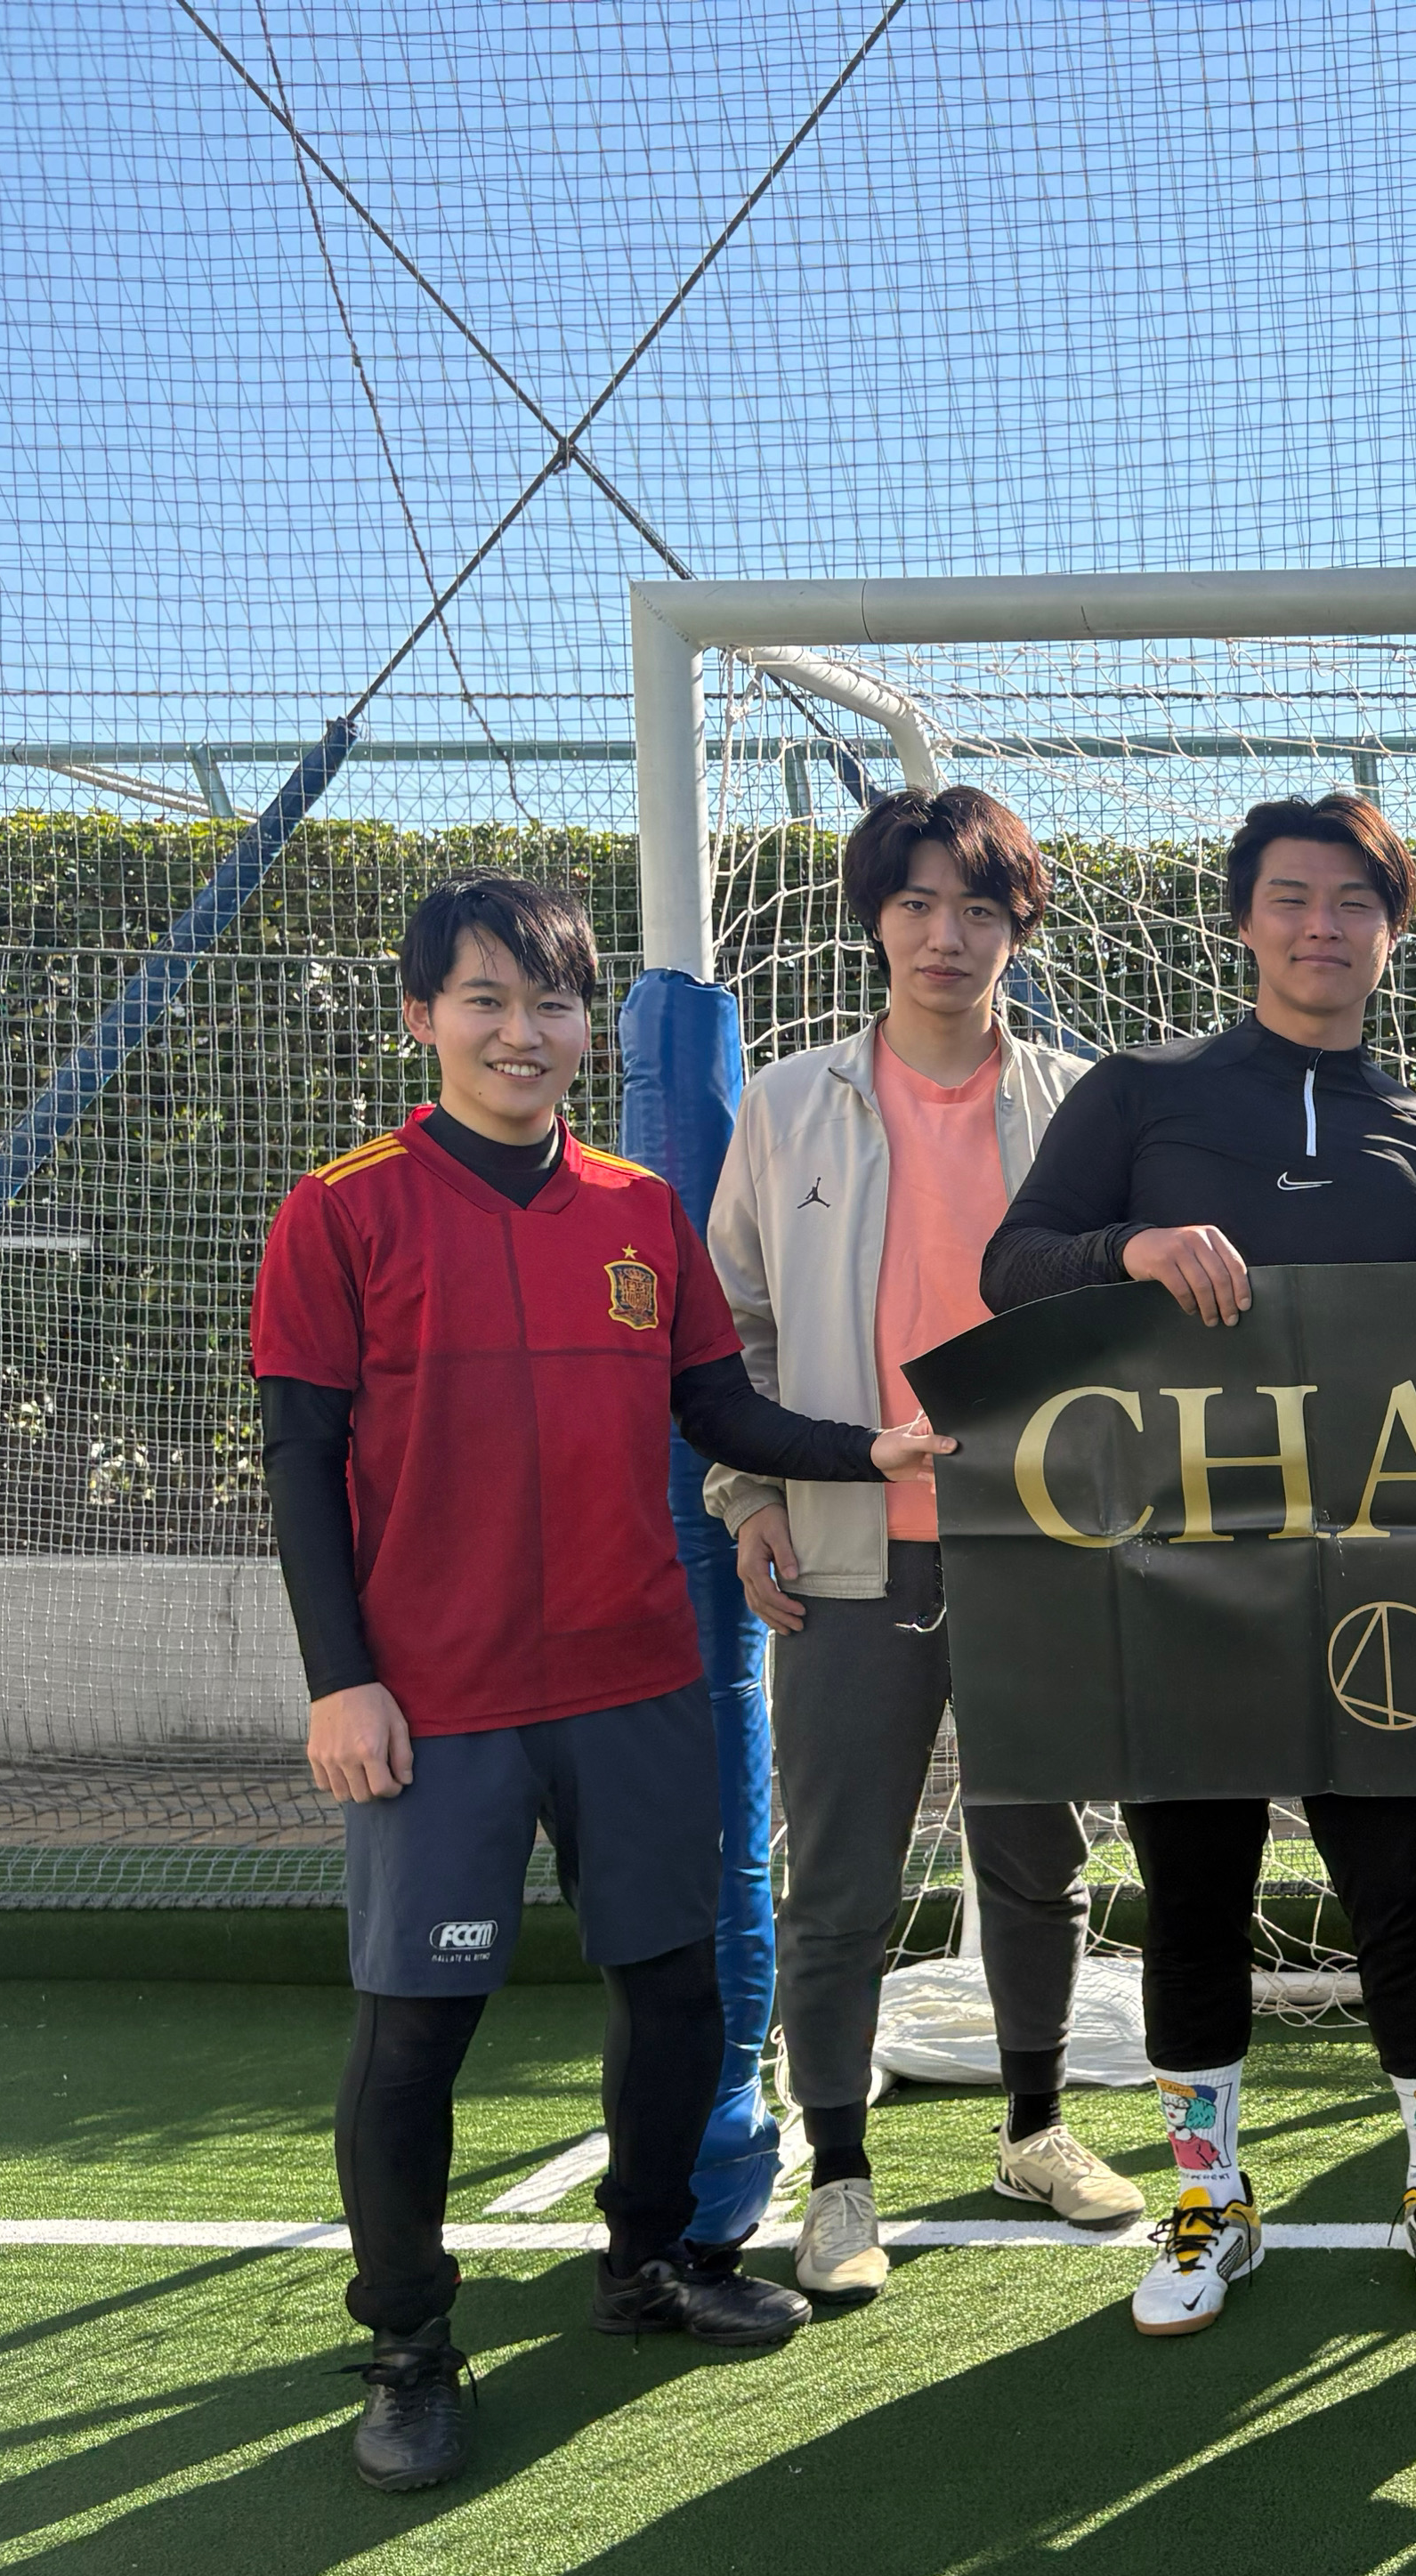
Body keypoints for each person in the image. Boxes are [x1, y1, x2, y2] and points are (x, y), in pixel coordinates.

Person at [255, 873, 952, 2494]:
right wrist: (341, 1682)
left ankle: (646, 2264)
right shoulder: (341, 1209)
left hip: (633, 1679)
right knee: (417, 2029)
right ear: (423, 1018)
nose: (523, 1033)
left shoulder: (642, 1210)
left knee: (674, 1990)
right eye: (486, 1001)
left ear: (589, 1027)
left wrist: (871, 1451)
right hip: (437, 1700)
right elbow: (296, 1464)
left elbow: (720, 1409)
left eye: (553, 1002)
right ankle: (408, 2340)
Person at [981, 790, 1416, 2338]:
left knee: (1399, 1896)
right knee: (1193, 1898)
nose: (1321, 925)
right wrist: (1128, 1253)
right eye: (1291, 897)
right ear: (1242, 920)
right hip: (1180, 1577)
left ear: (1394, 931)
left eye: (1354, 901)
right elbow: (1011, 1270)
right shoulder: (1139, 1095)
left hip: (1376, 1587)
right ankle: (1209, 2203)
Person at [701, 788, 1140, 2305]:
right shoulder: (788, 1105)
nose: (946, 934)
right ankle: (838, 2175)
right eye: (916, 903)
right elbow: (731, 1330)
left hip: (1038, 1553)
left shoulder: (1082, 1104)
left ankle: (1035, 2129)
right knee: (838, 1879)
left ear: (1019, 928)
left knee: (1037, 1859)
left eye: (980, 908)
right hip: (847, 1551)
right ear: (874, 919)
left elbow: (1128, 1336)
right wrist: (749, 1497)